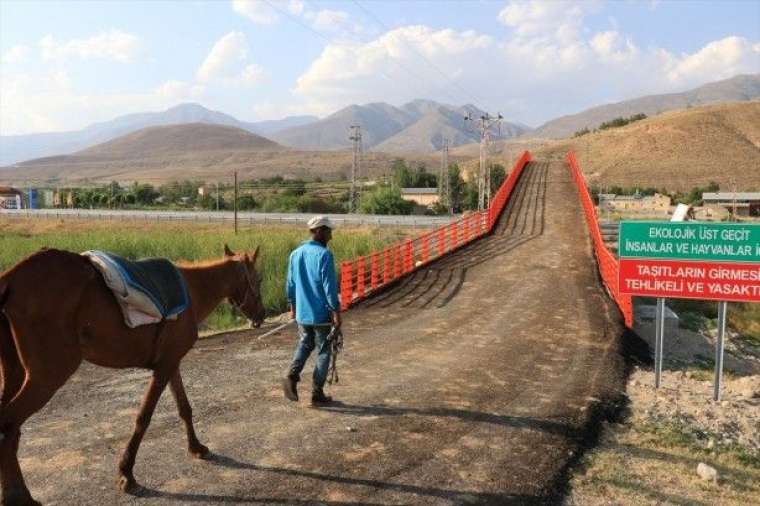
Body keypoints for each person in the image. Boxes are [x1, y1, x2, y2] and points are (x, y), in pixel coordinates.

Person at [282, 215, 341, 405]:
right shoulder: (324, 255)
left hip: (302, 313)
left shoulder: (295, 253)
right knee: (324, 350)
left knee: (305, 343)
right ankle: (317, 393)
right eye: (328, 231)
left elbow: (290, 285)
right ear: (319, 231)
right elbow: (329, 288)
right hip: (321, 314)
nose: (331, 235)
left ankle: (292, 376)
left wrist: (293, 308)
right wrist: (336, 313)